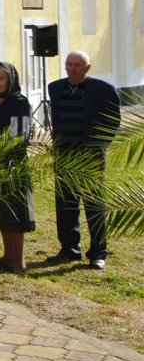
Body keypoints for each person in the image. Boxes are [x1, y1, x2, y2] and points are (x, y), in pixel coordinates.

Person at [48, 50, 121, 269]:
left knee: (94, 206)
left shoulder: (104, 90)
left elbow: (113, 123)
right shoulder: (55, 88)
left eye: (77, 65)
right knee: (65, 204)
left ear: (87, 68)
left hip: (89, 157)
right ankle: (69, 249)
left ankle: (98, 253)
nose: (71, 68)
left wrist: (97, 147)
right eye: (68, 64)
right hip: (64, 155)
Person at [0, 62, 35, 274]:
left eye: (1, 78)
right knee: (4, 212)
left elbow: (21, 136)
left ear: (11, 80)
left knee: (16, 213)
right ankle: (8, 256)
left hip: (12, 164)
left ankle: (18, 262)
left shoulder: (19, 102)